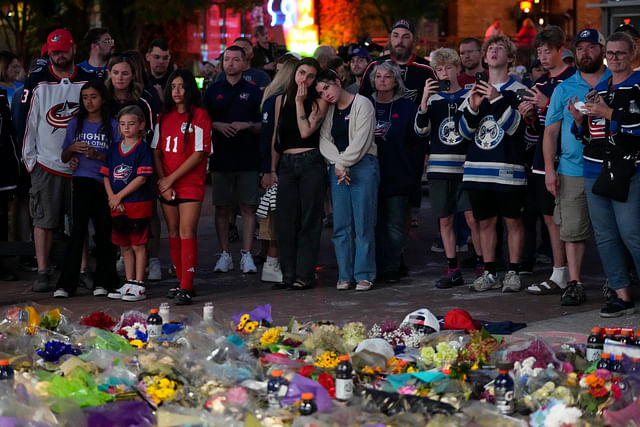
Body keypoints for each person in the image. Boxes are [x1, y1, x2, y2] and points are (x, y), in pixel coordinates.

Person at [568, 31, 639, 317]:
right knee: (605, 236)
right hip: (593, 167)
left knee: (632, 233)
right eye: (611, 53)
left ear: (632, 54)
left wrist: (608, 113)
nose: (615, 58)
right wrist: (579, 122)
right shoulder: (601, 87)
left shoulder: (637, 85)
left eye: (621, 53)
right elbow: (590, 136)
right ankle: (621, 296)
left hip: (628, 167)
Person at [459, 34, 534, 293]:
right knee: (484, 222)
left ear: (510, 58)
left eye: (500, 48)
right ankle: (489, 271)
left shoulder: (520, 90)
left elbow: (517, 129)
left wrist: (495, 98)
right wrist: (472, 107)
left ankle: (513, 271)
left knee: (513, 221)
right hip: (478, 170)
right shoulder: (474, 90)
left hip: (508, 170)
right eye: (489, 47)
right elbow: (464, 134)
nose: (493, 51)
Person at [22, 28, 94, 292]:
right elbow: (28, 122)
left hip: (82, 164)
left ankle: (84, 268)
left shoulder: (88, 79)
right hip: (46, 163)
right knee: (44, 220)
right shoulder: (38, 81)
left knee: (80, 220)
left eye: (63, 50)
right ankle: (42, 271)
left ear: (73, 48)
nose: (58, 56)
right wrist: (31, 161)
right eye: (53, 52)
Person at [543, 29, 611, 306]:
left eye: (591, 47)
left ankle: (613, 282)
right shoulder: (564, 88)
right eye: (580, 47)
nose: (585, 52)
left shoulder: (616, 81)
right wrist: (549, 169)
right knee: (572, 231)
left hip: (609, 168)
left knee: (611, 231)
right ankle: (575, 282)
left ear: (603, 50)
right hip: (572, 169)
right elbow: (550, 132)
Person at [414, 48, 482, 288]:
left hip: (466, 166)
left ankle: (483, 265)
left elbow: (475, 130)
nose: (444, 72)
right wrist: (423, 101)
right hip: (439, 168)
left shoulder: (469, 94)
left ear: (457, 69)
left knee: (473, 218)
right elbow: (421, 132)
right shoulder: (432, 99)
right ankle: (452, 267)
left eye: (449, 67)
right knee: (445, 220)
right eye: (439, 69)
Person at [521, 26, 575, 295]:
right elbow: (536, 130)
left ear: (561, 50)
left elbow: (579, 119)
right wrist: (529, 114)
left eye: (547, 51)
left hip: (571, 158)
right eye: (539, 51)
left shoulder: (574, 78)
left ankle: (575, 276)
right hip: (543, 160)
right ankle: (559, 272)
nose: (542, 56)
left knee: (573, 217)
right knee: (549, 216)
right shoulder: (540, 84)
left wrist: (545, 104)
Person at [266, 57, 328, 290]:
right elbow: (275, 136)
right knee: (285, 222)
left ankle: (305, 275)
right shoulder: (280, 100)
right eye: (302, 72)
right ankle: (287, 275)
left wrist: (301, 102)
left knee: (309, 220)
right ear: (294, 72)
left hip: (311, 161)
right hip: (287, 163)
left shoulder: (319, 101)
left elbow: (305, 131)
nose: (304, 79)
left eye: (310, 76)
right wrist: (272, 169)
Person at [53, 80, 119, 298]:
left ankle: (104, 281)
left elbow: (119, 158)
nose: (89, 101)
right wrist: (72, 149)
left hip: (104, 183)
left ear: (102, 98)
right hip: (81, 181)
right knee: (77, 232)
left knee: (103, 233)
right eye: (85, 97)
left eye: (94, 96)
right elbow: (64, 156)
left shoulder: (112, 124)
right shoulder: (75, 123)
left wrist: (97, 155)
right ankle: (66, 284)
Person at [152, 70, 211, 305]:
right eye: (173, 86)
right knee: (173, 232)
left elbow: (198, 154)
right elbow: (156, 152)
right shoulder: (163, 117)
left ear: (190, 89)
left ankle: (187, 286)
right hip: (167, 183)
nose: (177, 91)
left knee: (187, 231)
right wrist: (163, 181)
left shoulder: (199, 115)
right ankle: (180, 282)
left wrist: (170, 179)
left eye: (182, 86)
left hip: (190, 183)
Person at [317, 69, 379, 291]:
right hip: (338, 169)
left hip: (362, 167)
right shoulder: (330, 110)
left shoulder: (362, 103)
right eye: (321, 92)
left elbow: (362, 140)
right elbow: (324, 140)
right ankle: (345, 275)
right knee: (341, 225)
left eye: (327, 87)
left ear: (337, 81)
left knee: (363, 223)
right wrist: (338, 164)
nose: (326, 94)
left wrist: (342, 164)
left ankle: (364, 274)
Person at [203, 45, 262, 274]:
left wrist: (246, 125)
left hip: (247, 156)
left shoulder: (255, 91)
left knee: (248, 206)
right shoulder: (212, 90)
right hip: (221, 157)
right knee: (222, 208)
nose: (230, 63)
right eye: (227, 59)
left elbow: (263, 125)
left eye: (235, 59)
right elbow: (202, 121)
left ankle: (246, 254)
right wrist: (216, 125)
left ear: (244, 63)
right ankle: (225, 253)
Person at [105, 53, 162, 280]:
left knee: (148, 212)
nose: (120, 77)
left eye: (125, 73)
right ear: (109, 74)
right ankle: (123, 263)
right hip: (113, 162)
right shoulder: (104, 96)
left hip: (140, 162)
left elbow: (155, 131)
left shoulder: (144, 98)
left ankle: (153, 259)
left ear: (133, 75)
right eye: (116, 72)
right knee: (116, 214)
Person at [370, 61, 425, 283]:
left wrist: (414, 173)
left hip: (398, 174)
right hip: (369, 174)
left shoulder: (407, 107)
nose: (382, 80)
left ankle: (392, 267)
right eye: (378, 76)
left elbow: (416, 143)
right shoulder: (363, 104)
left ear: (396, 81)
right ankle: (373, 265)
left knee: (394, 224)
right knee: (373, 223)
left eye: (387, 76)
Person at [101, 105, 153, 301]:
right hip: (117, 204)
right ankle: (129, 282)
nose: (126, 128)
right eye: (123, 124)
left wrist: (119, 196)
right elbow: (106, 175)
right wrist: (112, 198)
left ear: (141, 125)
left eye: (131, 124)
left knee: (138, 244)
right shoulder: (114, 148)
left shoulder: (142, 149)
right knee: (124, 245)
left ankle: (139, 283)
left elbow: (142, 178)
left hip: (137, 202)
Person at [257, 55, 299, 285]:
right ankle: (272, 263)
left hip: (287, 166)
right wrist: (267, 170)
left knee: (286, 216)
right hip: (278, 167)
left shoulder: (284, 98)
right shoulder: (275, 100)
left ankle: (279, 263)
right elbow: (267, 139)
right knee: (275, 217)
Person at [360, 19, 435, 104]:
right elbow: (361, 101)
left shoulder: (427, 69)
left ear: (414, 41)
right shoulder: (374, 65)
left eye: (405, 37)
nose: (399, 41)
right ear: (390, 39)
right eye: (395, 36)